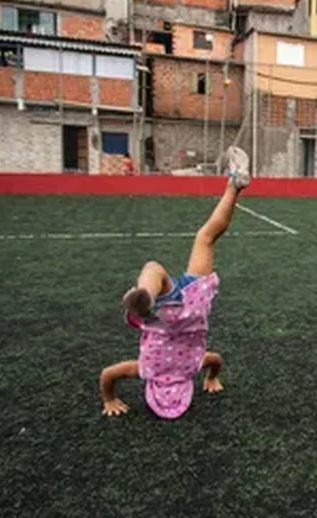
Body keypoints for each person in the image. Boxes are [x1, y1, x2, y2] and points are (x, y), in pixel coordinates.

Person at [98, 147, 250, 419]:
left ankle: (235, 185)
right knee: (153, 268)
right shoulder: (146, 370)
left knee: (206, 237)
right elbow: (109, 375)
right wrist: (109, 398)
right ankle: (146, 295)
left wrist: (212, 378)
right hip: (163, 316)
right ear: (151, 389)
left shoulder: (194, 367)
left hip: (193, 307)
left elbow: (216, 361)